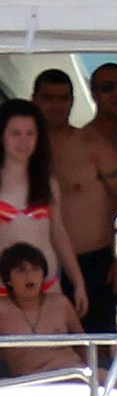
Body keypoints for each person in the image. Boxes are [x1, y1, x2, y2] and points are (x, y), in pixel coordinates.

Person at [32, 68, 117, 335]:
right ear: (34, 99)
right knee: (39, 347)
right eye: (48, 98)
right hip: (35, 264)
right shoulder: (21, 147)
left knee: (97, 345)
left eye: (63, 98)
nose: (56, 105)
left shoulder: (92, 145)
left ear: (72, 101)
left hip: (92, 262)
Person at [0, 242, 117, 396]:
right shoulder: (2, 309)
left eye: (35, 269)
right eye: (21, 270)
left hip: (73, 371)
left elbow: (83, 344)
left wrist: (92, 371)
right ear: (8, 278)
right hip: (32, 378)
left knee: (102, 376)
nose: (29, 276)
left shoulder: (60, 303)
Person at [0, 98, 88, 315]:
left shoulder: (48, 183)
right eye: (16, 133)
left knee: (51, 348)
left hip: (47, 287)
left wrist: (78, 282)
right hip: (3, 291)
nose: (23, 141)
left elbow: (59, 235)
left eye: (30, 133)